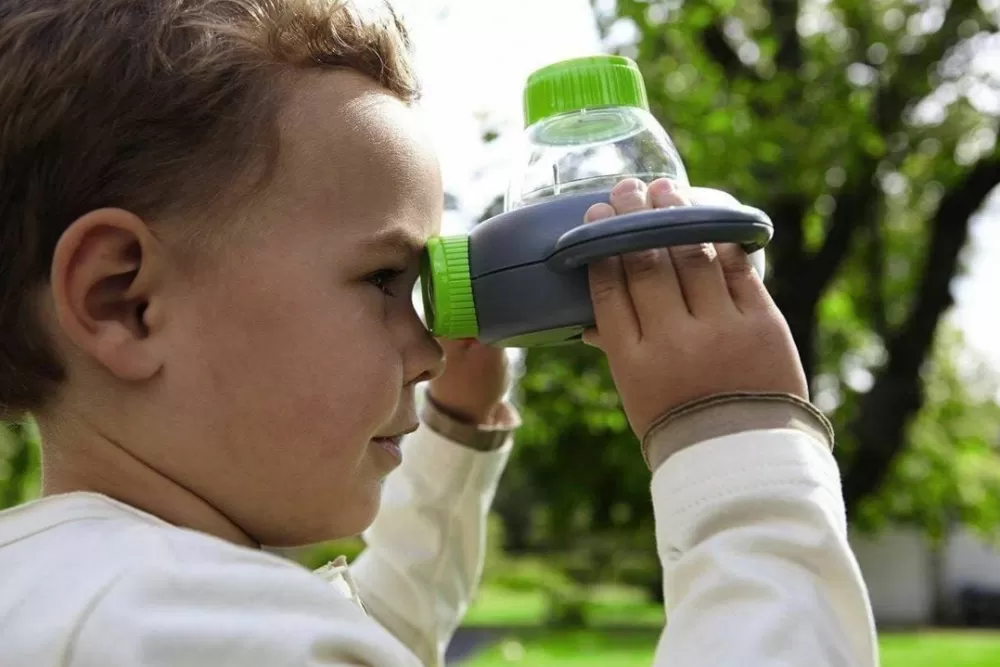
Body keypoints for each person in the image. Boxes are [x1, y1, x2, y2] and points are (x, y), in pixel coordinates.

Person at [0, 1, 877, 666]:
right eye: (383, 278)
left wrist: (454, 434)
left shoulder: (88, 598)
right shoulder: (184, 625)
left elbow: (365, 632)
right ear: (125, 300)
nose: (424, 348)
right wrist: (738, 456)